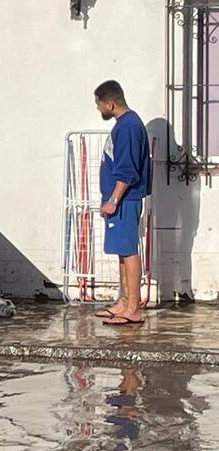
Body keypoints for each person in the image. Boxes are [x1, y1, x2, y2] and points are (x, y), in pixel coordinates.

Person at [93, 80, 151, 326]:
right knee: (121, 251)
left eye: (99, 105)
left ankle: (133, 308)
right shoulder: (124, 125)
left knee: (128, 251)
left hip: (125, 199)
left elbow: (127, 169)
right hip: (119, 200)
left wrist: (114, 200)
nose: (98, 109)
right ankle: (124, 301)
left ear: (110, 103)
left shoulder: (127, 127)